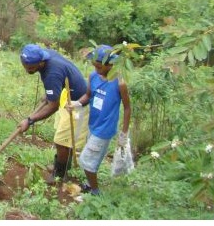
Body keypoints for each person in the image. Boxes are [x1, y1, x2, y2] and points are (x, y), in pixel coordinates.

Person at [16, 44, 89, 183]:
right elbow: (55, 92)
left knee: (62, 142)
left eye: (30, 67)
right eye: (25, 65)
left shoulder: (51, 74)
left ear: (41, 62)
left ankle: (60, 175)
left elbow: (52, 107)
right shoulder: (45, 55)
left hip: (76, 104)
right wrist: (51, 93)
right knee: (62, 138)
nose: (27, 70)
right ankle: (61, 166)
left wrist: (29, 120)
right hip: (65, 96)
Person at [70, 45, 131, 196]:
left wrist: (124, 133)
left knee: (86, 160)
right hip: (93, 124)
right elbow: (88, 95)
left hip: (105, 129)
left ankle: (95, 192)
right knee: (92, 159)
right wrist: (76, 103)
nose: (96, 69)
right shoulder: (93, 77)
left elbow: (128, 107)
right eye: (95, 66)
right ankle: (91, 185)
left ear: (111, 64)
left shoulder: (119, 82)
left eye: (99, 67)